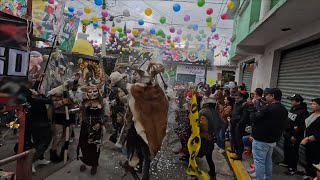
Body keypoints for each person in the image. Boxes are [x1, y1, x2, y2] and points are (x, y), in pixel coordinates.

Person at [250, 88, 288, 180]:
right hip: (272, 140)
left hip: (261, 140)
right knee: (267, 161)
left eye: (267, 95)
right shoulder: (283, 109)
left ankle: (259, 178)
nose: (265, 97)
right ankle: (267, 178)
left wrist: (252, 106)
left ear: (272, 96)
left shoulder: (268, 108)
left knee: (259, 162)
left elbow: (253, 118)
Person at [77, 83, 106, 175]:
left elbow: (104, 115)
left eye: (94, 91)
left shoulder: (102, 102)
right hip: (85, 126)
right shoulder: (84, 101)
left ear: (98, 92)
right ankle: (85, 161)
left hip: (96, 128)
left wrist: (100, 123)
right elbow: (80, 111)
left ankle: (94, 164)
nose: (92, 93)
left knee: (94, 147)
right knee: (83, 144)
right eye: (90, 92)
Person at [278, 94, 309, 175]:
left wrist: (295, 136)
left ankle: (293, 168)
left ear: (298, 102)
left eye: (292, 100)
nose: (291, 102)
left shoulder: (303, 112)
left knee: (293, 152)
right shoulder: (293, 108)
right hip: (288, 134)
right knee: (286, 149)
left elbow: (302, 127)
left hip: (294, 136)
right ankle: (286, 162)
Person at [27, 89, 53, 173]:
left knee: (37, 143)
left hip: (34, 126)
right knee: (43, 143)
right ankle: (32, 162)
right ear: (31, 94)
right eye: (33, 90)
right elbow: (50, 101)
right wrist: (42, 94)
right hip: (42, 125)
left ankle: (41, 159)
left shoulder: (31, 100)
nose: (35, 90)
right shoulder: (37, 100)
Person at [198, 94, 222, 180]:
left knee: (192, 157)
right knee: (209, 158)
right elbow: (220, 125)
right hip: (211, 138)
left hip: (203, 138)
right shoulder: (215, 112)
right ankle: (213, 176)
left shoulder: (203, 112)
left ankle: (193, 176)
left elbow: (203, 125)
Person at [301, 98, 320, 180]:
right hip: (307, 141)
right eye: (312, 104)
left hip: (316, 144)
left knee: (314, 160)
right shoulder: (312, 113)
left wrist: (315, 137)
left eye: (314, 104)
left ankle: (313, 176)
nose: (312, 105)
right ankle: (308, 173)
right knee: (308, 157)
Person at [229, 92, 246, 160]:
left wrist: (239, 123)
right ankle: (234, 150)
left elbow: (244, 116)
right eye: (235, 98)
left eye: (237, 98)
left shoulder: (244, 105)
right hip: (233, 123)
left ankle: (239, 154)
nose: (236, 99)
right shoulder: (235, 103)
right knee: (234, 138)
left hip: (238, 125)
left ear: (241, 98)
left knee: (238, 139)